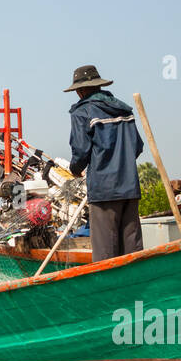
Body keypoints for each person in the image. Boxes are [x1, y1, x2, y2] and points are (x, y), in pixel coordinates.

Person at [65, 64, 146, 261]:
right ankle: (136, 288)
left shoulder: (82, 112)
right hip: (129, 187)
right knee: (132, 249)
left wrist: (75, 169)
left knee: (105, 252)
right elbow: (137, 147)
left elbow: (81, 151)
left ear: (81, 91)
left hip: (103, 191)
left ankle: (110, 289)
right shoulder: (124, 110)